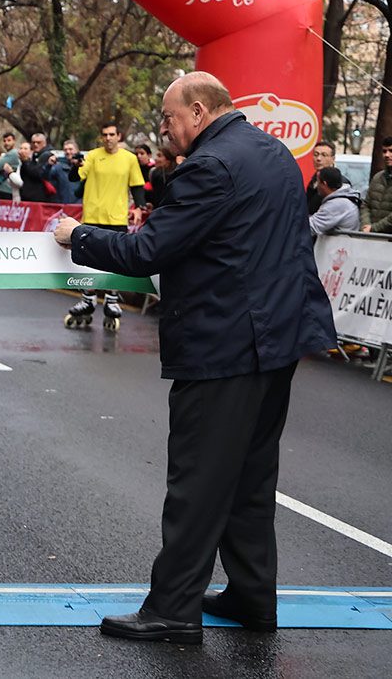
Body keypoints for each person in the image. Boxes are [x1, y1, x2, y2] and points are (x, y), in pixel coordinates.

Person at [54, 71, 334, 645]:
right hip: (277, 340)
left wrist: (76, 235)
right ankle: (252, 597)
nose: (163, 128)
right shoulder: (275, 153)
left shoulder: (209, 167)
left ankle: (174, 610)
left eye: (168, 117)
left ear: (201, 111)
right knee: (250, 479)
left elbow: (147, 251)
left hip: (225, 342)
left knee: (198, 482)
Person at [63, 123, 146, 330]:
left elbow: (136, 186)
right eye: (104, 135)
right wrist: (75, 166)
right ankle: (88, 299)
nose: (108, 138)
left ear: (119, 136)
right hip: (92, 215)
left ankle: (111, 299)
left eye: (111, 134)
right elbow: (75, 177)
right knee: (87, 262)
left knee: (117, 261)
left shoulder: (129, 159)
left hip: (117, 218)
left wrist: (139, 208)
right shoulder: (92, 155)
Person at [308, 166, 361, 237]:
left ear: (324, 183)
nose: (317, 186)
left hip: (339, 245)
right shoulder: (343, 198)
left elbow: (311, 227)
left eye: (318, 182)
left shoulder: (337, 204)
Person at [360, 137, 392, 233]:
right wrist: (366, 225)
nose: (387, 155)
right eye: (384, 151)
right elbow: (366, 204)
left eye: (391, 151)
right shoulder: (378, 177)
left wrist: (373, 228)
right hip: (373, 238)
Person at [305, 141, 345, 214]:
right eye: (315, 154)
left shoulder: (340, 183)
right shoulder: (314, 179)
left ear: (333, 159)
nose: (318, 159)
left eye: (324, 155)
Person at [44, 139, 82, 204]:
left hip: (80, 207)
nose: (68, 152)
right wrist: (48, 165)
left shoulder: (85, 166)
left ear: (77, 150)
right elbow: (46, 176)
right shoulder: (58, 167)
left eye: (70, 149)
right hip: (63, 206)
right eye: (65, 150)